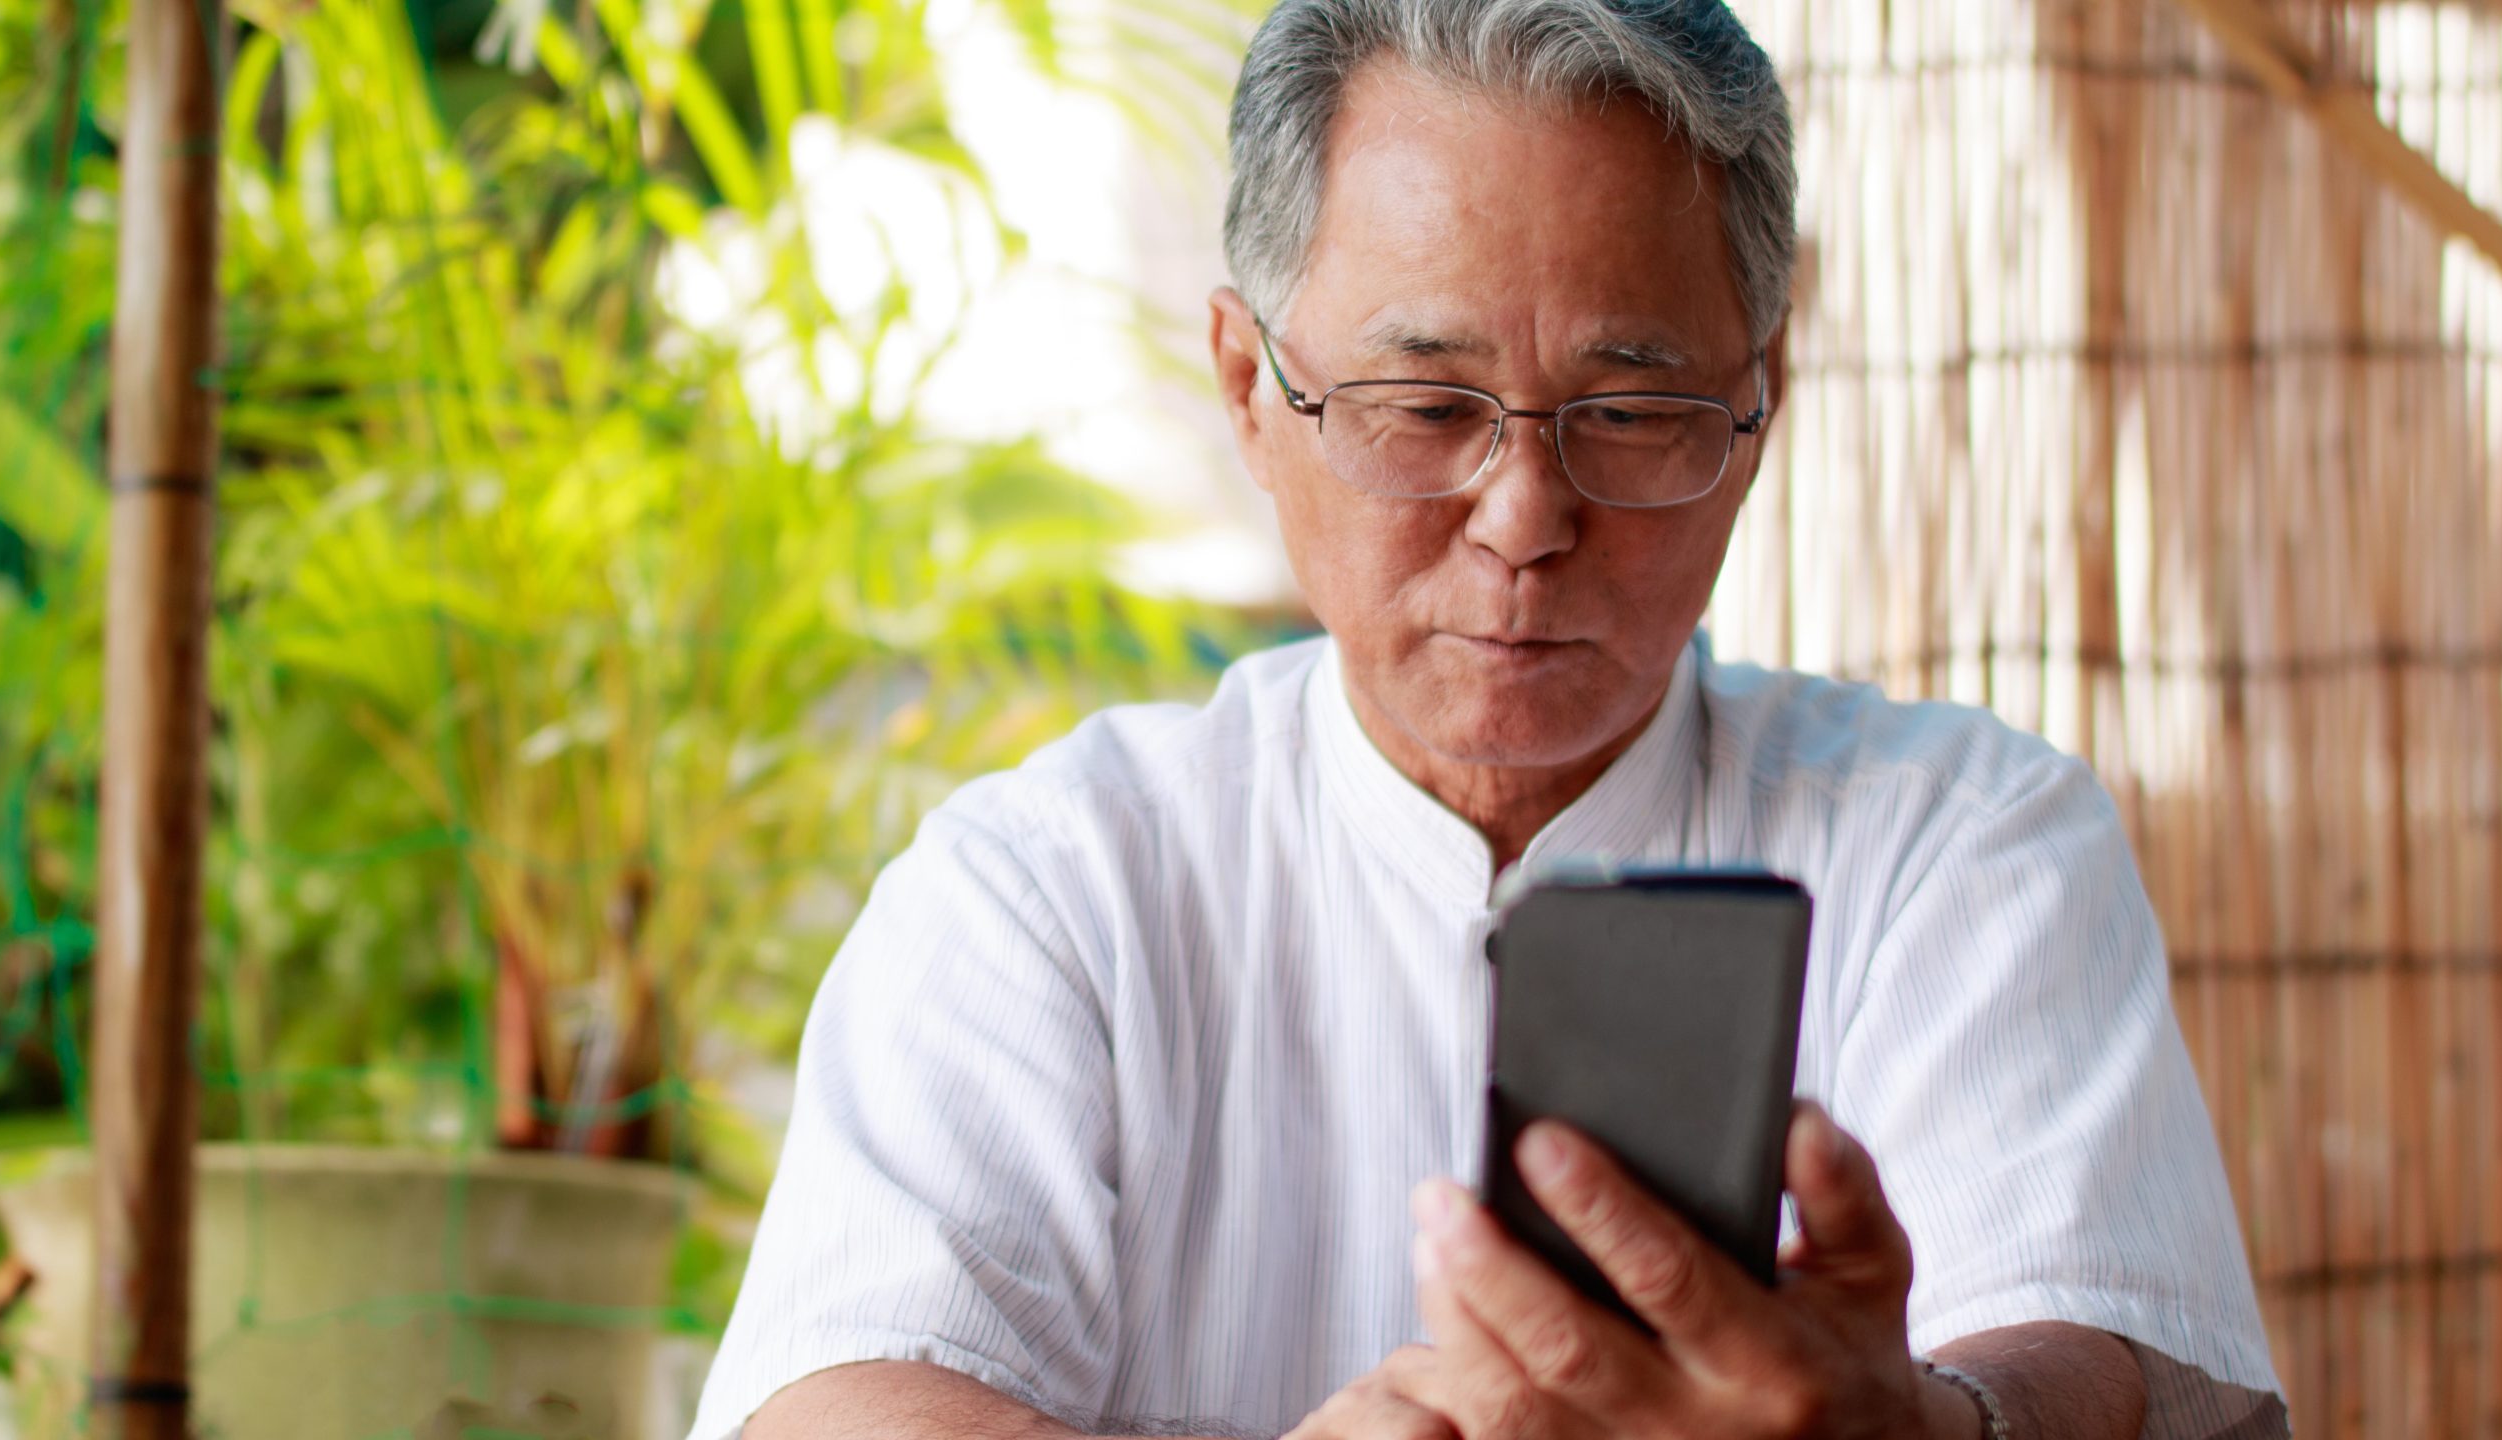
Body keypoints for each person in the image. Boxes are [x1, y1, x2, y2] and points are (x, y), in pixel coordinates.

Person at [689, 1, 2291, 1436]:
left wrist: (1932, 1431)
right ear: (1252, 387)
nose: (1525, 513)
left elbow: (2129, 1357)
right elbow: (833, 1393)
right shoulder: (1051, 886)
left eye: (1635, 410)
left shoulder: (1959, 839)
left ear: (1760, 399)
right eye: (1426, 407)